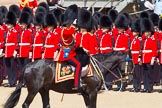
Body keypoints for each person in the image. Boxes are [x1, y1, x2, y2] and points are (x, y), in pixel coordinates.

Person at [56, 4, 81, 90]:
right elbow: (72, 31)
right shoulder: (66, 31)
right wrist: (75, 22)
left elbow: (75, 43)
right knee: (78, 65)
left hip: (69, 51)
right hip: (67, 53)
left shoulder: (67, 31)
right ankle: (76, 84)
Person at [140, 18, 157, 93]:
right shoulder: (145, 40)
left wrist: (153, 58)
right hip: (144, 58)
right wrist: (140, 58)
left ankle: (150, 87)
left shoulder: (152, 40)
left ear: (150, 32)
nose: (145, 33)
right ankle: (146, 87)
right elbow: (142, 50)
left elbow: (154, 50)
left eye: (146, 32)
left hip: (149, 58)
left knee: (150, 74)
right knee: (144, 74)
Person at [3, 11, 18, 87]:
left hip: (12, 51)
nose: (7, 25)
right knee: (8, 67)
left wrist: (15, 51)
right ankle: (10, 81)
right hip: (7, 52)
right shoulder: (7, 32)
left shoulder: (14, 32)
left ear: (12, 25)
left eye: (8, 24)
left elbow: (16, 42)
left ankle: (13, 81)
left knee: (13, 67)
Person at [129, 19, 142, 92]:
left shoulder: (139, 40)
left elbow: (140, 49)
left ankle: (138, 87)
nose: (132, 32)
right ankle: (135, 86)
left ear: (137, 32)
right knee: (134, 73)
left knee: (138, 73)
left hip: (137, 58)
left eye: (134, 31)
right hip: (133, 58)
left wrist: (139, 58)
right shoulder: (134, 40)